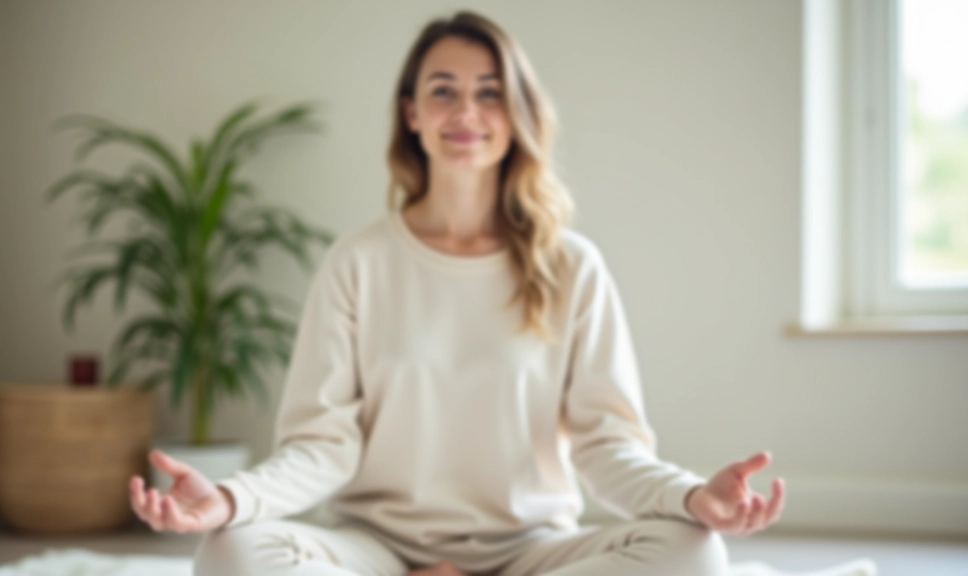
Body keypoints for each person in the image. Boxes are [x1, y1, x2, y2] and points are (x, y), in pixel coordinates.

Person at [129, 10, 785, 576]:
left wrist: (693, 497)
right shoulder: (358, 261)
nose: (467, 112)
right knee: (229, 553)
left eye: (490, 93)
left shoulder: (572, 266)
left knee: (694, 552)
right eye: (443, 91)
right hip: (375, 550)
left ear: (518, 113)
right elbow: (321, 445)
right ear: (412, 113)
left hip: (530, 552)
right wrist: (231, 499)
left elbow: (606, 447)